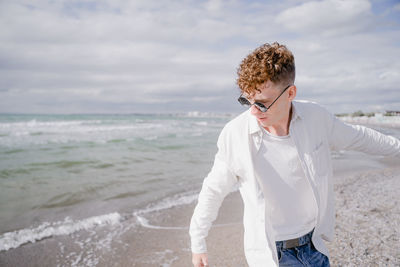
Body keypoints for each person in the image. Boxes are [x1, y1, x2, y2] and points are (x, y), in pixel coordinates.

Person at [189, 42, 400, 267]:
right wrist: (198, 241)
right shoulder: (235, 135)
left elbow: (361, 137)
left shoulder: (316, 118)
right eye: (246, 101)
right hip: (272, 254)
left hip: (315, 245)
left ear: (290, 93)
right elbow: (213, 190)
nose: (252, 111)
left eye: (262, 104)